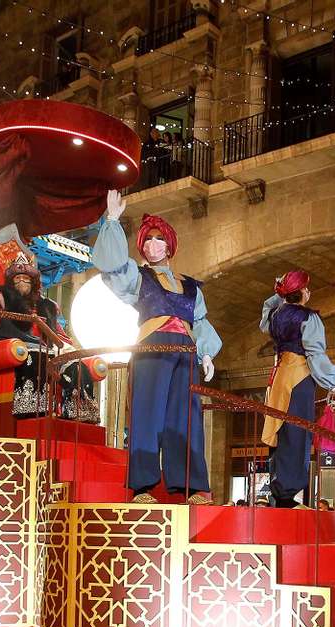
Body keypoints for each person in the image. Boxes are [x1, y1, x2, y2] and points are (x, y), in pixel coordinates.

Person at [93, 189, 221, 504]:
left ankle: (190, 485)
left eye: (157, 240)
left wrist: (207, 353)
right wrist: (111, 221)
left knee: (186, 416)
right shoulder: (138, 277)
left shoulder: (191, 286)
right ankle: (143, 486)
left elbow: (201, 322)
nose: (152, 246)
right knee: (148, 414)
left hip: (186, 351)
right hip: (153, 347)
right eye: (147, 241)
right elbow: (112, 267)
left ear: (169, 244)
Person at [260, 270, 335, 508]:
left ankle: (279, 492)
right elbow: (315, 353)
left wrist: (280, 297)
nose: (309, 291)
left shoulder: (275, 316)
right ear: (301, 292)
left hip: (278, 377)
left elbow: (265, 315)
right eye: (306, 288)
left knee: (281, 431)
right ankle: (286, 496)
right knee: (298, 434)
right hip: (299, 377)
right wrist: (332, 383)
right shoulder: (308, 317)